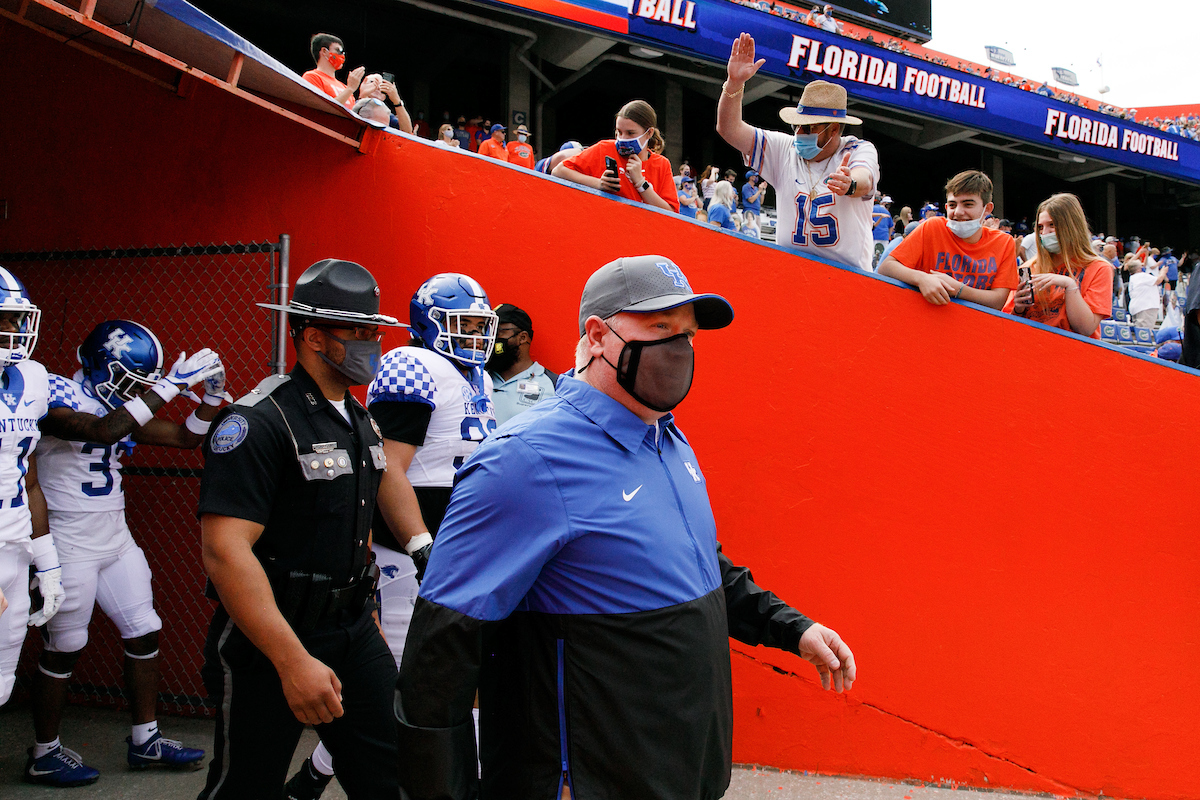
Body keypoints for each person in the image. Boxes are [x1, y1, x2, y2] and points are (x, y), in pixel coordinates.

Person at [393, 255, 856, 800]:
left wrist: (790, 628)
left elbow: (697, 562)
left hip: (684, 770)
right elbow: (439, 654)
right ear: (597, 336)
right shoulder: (525, 460)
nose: (679, 348)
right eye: (660, 328)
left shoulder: (668, 438)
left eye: (687, 333)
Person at [196, 259, 406, 799]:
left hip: (353, 628)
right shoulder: (259, 421)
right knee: (247, 786)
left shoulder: (356, 418)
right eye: (356, 331)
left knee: (396, 773)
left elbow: (360, 520)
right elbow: (225, 552)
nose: (371, 342)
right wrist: (291, 661)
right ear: (313, 336)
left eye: (374, 331)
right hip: (271, 635)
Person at [285, 272, 499, 799]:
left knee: (441, 682)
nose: (473, 334)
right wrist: (421, 544)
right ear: (431, 324)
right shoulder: (416, 364)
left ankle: (313, 777)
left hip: (457, 549)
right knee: (408, 688)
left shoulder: (477, 376)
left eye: (479, 323)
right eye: (462, 323)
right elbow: (386, 469)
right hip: (412, 554)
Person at [27, 322, 226, 785]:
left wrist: (212, 398)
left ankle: (146, 739)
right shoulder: (55, 393)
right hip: (68, 539)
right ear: (100, 364)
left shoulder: (119, 402)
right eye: (131, 380)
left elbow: (184, 438)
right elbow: (103, 430)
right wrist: (170, 387)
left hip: (114, 536)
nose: (135, 391)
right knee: (66, 646)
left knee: (144, 631)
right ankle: (43, 752)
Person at [718, 35, 880, 270]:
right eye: (797, 125)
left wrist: (850, 184)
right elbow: (729, 129)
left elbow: (864, 178)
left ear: (833, 129)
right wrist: (733, 84)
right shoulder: (785, 149)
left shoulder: (857, 149)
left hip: (847, 278)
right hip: (792, 271)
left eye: (809, 126)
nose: (799, 132)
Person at [0, 266, 61, 718]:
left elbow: (29, 477)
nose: (14, 329)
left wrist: (49, 564)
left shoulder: (34, 378)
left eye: (16, 317)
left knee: (1, 684)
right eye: (2, 317)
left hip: (16, 548)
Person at [877, 171, 1017, 310]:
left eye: (968, 204)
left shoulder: (1004, 242)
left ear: (987, 209)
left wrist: (959, 289)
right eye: (952, 205)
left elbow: (998, 301)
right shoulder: (932, 227)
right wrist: (921, 278)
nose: (958, 212)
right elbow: (886, 267)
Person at [1008, 193, 1114, 338]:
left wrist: (1069, 285)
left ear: (1072, 226)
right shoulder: (1027, 268)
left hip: (1073, 354)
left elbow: (1086, 328)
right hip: (1030, 347)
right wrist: (1018, 309)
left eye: (1052, 225)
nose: (1045, 233)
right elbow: (1007, 324)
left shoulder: (1099, 268)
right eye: (1040, 227)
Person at [553, 100, 680, 212]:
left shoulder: (662, 164)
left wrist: (641, 183)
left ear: (649, 133)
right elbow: (558, 171)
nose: (623, 138)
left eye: (630, 133)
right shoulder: (604, 148)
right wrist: (599, 184)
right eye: (619, 132)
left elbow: (671, 214)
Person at [486, 304, 558, 425]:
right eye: (489, 332)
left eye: (498, 332)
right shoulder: (479, 378)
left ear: (523, 337)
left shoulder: (553, 385)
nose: (492, 339)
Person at [301, 34, 363, 109]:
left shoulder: (344, 87)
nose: (342, 56)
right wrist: (350, 89)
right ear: (324, 51)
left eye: (343, 53)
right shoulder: (312, 77)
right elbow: (321, 109)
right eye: (338, 51)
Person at [1125, 258, 1167, 329]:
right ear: (1138, 269)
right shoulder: (1141, 276)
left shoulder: (1133, 278)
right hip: (1146, 307)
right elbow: (1158, 280)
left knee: (1140, 331)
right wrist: (1163, 271)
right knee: (1145, 332)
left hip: (1138, 307)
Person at [871, 193, 894, 269]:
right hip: (884, 236)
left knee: (872, 256)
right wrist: (888, 236)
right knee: (883, 258)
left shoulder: (872, 209)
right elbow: (891, 226)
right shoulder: (886, 212)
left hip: (873, 235)